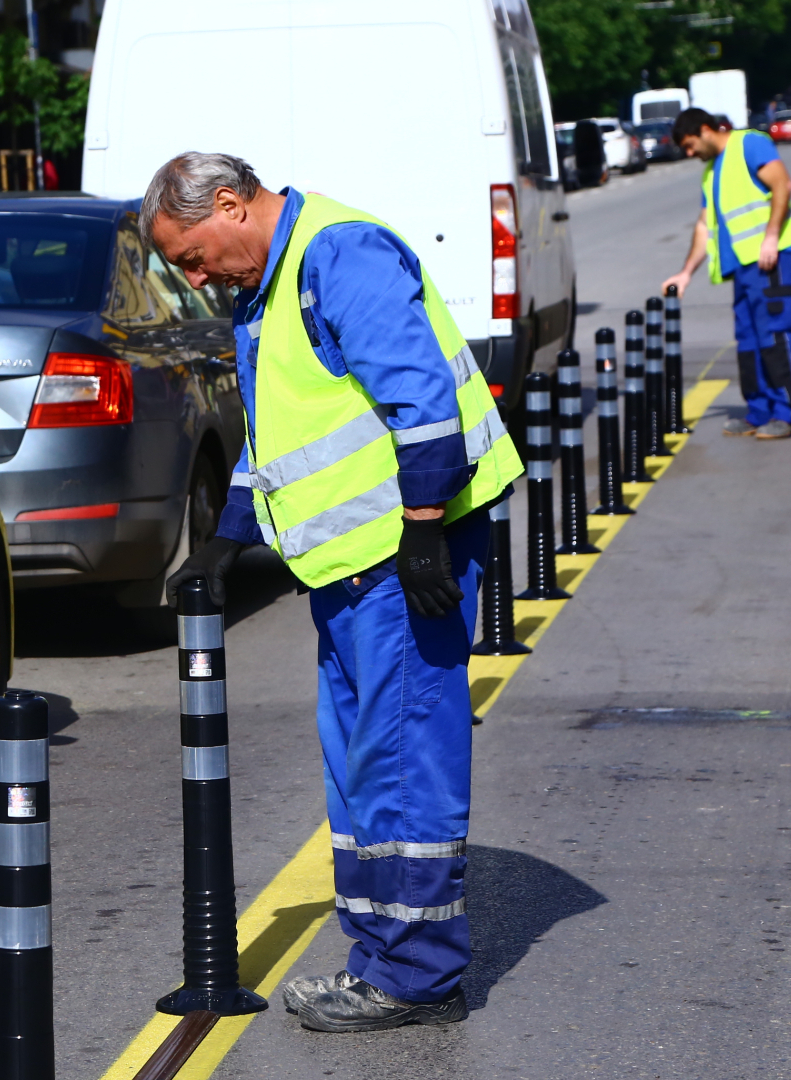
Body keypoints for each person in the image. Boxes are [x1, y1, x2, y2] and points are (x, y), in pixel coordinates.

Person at [146, 152, 522, 1032]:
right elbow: (280, 437)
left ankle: (417, 974)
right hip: (354, 567)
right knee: (362, 763)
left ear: (232, 205)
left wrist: (424, 523)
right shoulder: (269, 287)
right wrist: (225, 541)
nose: (196, 279)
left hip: (399, 558)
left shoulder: (338, 255)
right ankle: (380, 957)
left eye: (194, 256)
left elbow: (421, 399)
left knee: (397, 760)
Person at [661, 108, 791, 439]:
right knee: (748, 340)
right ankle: (758, 411)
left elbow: (782, 185)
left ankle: (788, 412)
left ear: (704, 130)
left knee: (774, 334)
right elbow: (704, 225)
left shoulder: (750, 145)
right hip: (743, 267)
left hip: (773, 258)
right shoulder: (711, 172)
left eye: (689, 145)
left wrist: (771, 236)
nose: (689, 154)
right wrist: (686, 273)